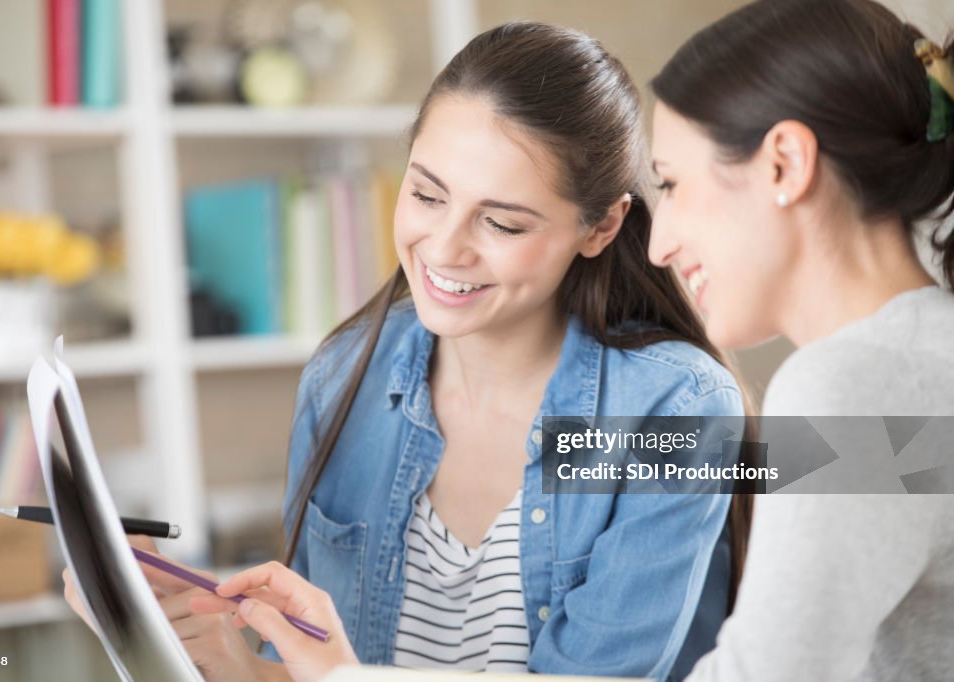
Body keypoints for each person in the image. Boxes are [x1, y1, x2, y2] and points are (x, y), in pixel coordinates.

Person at [68, 21, 750, 682]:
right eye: (426, 193)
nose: (445, 247)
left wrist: (343, 678)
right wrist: (214, 650)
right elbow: (308, 666)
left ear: (601, 227)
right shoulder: (344, 379)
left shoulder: (674, 412)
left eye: (501, 221)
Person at [643, 0, 954, 680]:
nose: (659, 245)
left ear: (784, 162)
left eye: (671, 184)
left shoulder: (859, 384)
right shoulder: (920, 361)